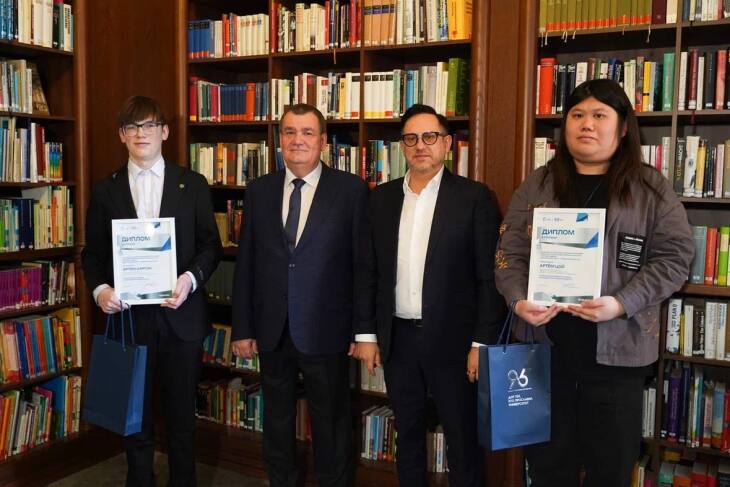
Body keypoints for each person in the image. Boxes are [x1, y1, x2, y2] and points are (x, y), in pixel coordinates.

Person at [495, 79, 694, 487]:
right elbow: (508, 252)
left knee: (611, 473)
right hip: (545, 357)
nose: (586, 124)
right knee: (548, 472)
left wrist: (621, 303)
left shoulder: (649, 187)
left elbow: (675, 258)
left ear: (622, 127)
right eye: (577, 114)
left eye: (600, 115)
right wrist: (517, 301)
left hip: (617, 361)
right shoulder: (538, 183)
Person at [354, 104, 505, 487]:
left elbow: (488, 278)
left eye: (429, 137)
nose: (420, 145)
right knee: (407, 434)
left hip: (455, 342)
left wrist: (481, 343)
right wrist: (367, 334)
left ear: (447, 144)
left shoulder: (474, 198)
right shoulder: (381, 198)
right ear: (402, 146)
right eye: (411, 138)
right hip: (398, 338)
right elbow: (368, 270)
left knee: (461, 438)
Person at [82, 96, 222, 487]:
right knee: (135, 419)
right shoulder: (106, 190)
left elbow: (211, 246)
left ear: (164, 131)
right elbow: (92, 254)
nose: (140, 133)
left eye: (148, 125)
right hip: (129, 321)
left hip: (181, 317)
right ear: (121, 136)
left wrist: (189, 279)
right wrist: (100, 291)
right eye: (132, 127)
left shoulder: (192, 184)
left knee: (181, 418)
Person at [230, 103, 368, 487]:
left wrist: (362, 331)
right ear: (280, 140)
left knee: (331, 423)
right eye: (290, 132)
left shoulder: (351, 191)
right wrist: (243, 328)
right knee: (276, 422)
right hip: (273, 329)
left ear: (323, 141)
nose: (298, 140)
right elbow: (247, 263)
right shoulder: (259, 191)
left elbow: (362, 267)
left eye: (307, 132)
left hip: (328, 330)